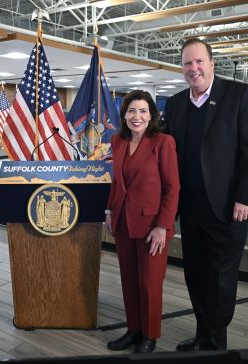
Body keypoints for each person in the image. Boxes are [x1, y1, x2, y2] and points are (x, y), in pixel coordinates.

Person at [164, 38, 248, 351]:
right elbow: (166, 154)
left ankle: (214, 344)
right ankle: (203, 333)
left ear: (212, 64)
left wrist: (245, 197)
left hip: (227, 207)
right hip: (191, 208)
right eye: (186, 63)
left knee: (220, 280)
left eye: (198, 62)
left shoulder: (238, 95)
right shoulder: (176, 104)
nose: (193, 69)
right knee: (195, 276)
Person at [104, 90, 180, 354]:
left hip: (152, 227)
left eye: (143, 111)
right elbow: (116, 182)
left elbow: (172, 188)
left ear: (152, 115)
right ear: (124, 114)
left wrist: (162, 226)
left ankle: (149, 335)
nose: (137, 116)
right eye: (132, 111)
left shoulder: (163, 142)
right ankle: (133, 330)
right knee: (129, 280)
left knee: (149, 284)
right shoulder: (118, 141)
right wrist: (110, 211)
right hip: (124, 221)